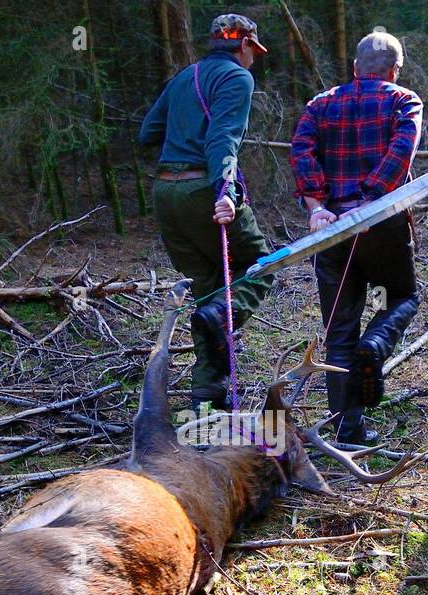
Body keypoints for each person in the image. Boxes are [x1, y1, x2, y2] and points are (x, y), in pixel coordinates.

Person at [289, 31, 423, 446]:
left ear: (354, 68)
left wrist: (319, 208)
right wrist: (368, 202)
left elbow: (300, 150)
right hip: (381, 222)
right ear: (395, 69)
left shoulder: (321, 103)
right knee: (402, 298)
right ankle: (376, 345)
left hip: (330, 229)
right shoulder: (404, 101)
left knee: (340, 330)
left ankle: (346, 433)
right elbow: (402, 154)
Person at [138, 13, 274, 412]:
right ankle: (220, 316)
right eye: (254, 51)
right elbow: (222, 139)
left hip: (167, 193)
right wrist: (226, 190)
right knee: (263, 262)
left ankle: (207, 397)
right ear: (245, 44)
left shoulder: (183, 78)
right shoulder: (237, 78)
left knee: (209, 287)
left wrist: (183, 134)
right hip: (204, 191)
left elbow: (147, 133)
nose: (254, 60)